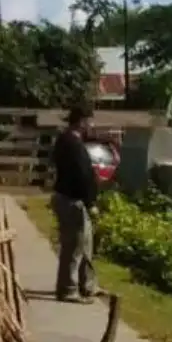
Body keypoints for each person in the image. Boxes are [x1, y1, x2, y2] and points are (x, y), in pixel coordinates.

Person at [50, 106, 99, 303]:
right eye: (90, 121)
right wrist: (91, 202)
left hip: (66, 198)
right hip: (73, 201)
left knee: (84, 245)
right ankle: (68, 289)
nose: (92, 126)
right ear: (81, 121)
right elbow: (82, 176)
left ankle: (86, 285)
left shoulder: (65, 141)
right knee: (75, 247)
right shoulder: (73, 144)